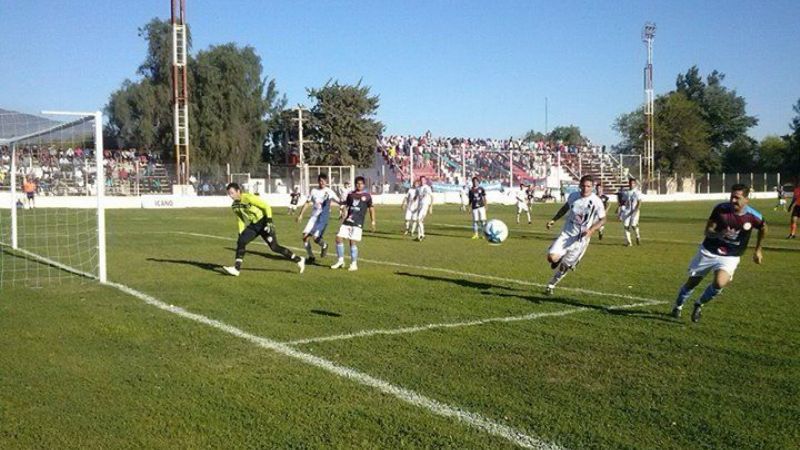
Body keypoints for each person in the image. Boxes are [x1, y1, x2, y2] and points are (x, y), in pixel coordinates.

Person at [670, 184, 766, 322]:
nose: (732, 200)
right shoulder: (721, 209)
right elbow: (707, 231)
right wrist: (718, 234)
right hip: (709, 251)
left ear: (746, 199)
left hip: (731, 255)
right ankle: (678, 306)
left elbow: (763, 228)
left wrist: (758, 249)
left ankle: (699, 304)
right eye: (731, 196)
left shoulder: (753, 216)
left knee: (720, 283)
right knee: (692, 282)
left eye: (737, 198)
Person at [222, 183, 305, 276]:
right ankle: (236, 269)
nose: (230, 195)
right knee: (241, 241)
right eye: (229, 193)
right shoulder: (234, 206)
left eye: (232, 193)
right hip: (254, 225)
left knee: (274, 247)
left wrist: (269, 220)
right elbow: (240, 219)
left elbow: (266, 206)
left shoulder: (248, 198)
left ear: (238, 191)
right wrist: (241, 232)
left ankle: (299, 259)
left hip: (264, 222)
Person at [544, 175, 607, 295]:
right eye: (583, 186)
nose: (585, 188)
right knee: (551, 258)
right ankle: (560, 258)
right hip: (566, 235)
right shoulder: (573, 196)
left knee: (564, 267)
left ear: (592, 187)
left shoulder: (596, 202)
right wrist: (553, 220)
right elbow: (565, 208)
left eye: (588, 186)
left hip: (580, 240)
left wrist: (591, 230)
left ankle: (551, 285)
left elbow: (603, 219)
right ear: (579, 186)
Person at [331, 176, 376, 271]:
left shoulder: (367, 196)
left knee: (352, 241)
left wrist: (373, 222)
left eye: (361, 183)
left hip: (358, 222)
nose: (359, 185)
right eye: (357, 183)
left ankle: (354, 264)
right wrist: (343, 212)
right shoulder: (350, 194)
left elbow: (371, 208)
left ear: (364, 185)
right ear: (355, 184)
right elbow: (346, 206)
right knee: (338, 238)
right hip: (348, 220)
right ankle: (340, 261)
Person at [295, 174, 340, 263]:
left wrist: (343, 208)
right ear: (318, 181)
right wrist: (301, 215)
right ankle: (311, 257)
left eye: (324, 180)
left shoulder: (329, 191)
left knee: (315, 238)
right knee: (305, 237)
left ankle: (324, 245)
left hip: (322, 218)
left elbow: (339, 201)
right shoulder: (313, 191)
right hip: (313, 217)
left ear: (326, 182)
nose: (322, 182)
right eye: (320, 180)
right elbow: (307, 203)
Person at [616, 178, 642, 246]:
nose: (631, 184)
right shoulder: (626, 192)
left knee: (633, 225)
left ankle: (637, 236)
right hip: (627, 211)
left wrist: (636, 210)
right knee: (626, 226)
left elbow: (639, 202)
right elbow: (623, 202)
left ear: (635, 184)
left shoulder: (637, 192)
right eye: (630, 183)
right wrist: (619, 209)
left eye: (633, 183)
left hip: (635, 210)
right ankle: (629, 242)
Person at [414, 176, 434, 241]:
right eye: (421, 180)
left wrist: (431, 206)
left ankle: (422, 235)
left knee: (418, 219)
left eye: (423, 180)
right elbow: (416, 196)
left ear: (425, 181)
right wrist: (413, 199)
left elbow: (432, 197)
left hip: (424, 206)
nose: (422, 181)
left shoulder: (427, 188)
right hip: (419, 206)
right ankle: (419, 236)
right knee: (419, 221)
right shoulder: (418, 188)